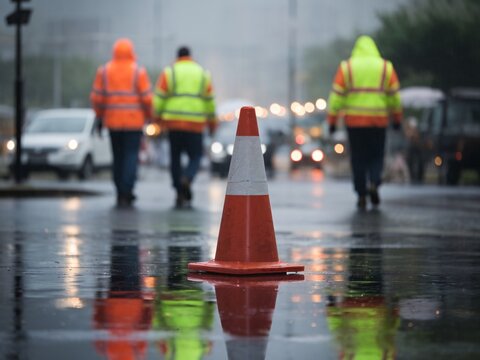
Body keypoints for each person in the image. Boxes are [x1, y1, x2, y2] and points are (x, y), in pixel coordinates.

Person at [327, 35, 403, 210]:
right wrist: (397, 119)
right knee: (376, 156)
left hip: (355, 123)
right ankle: (375, 183)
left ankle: (361, 193)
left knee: (358, 158)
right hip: (379, 122)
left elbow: (336, 97)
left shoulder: (347, 68)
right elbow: (395, 97)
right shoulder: (386, 67)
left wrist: (332, 121)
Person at [90, 38, 152, 207]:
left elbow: (97, 98)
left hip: (113, 122)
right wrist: (149, 116)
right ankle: (127, 190)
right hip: (134, 123)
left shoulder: (104, 71)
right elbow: (147, 98)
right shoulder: (138, 71)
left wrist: (100, 116)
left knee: (117, 157)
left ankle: (119, 190)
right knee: (131, 156)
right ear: (131, 52)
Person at [153, 46, 217, 209]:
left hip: (173, 123)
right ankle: (187, 178)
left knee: (175, 158)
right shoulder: (202, 74)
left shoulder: (169, 72)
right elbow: (210, 101)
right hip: (195, 124)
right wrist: (212, 123)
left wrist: (157, 118)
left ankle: (178, 190)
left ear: (178, 57)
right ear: (190, 56)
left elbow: (159, 98)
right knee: (195, 156)